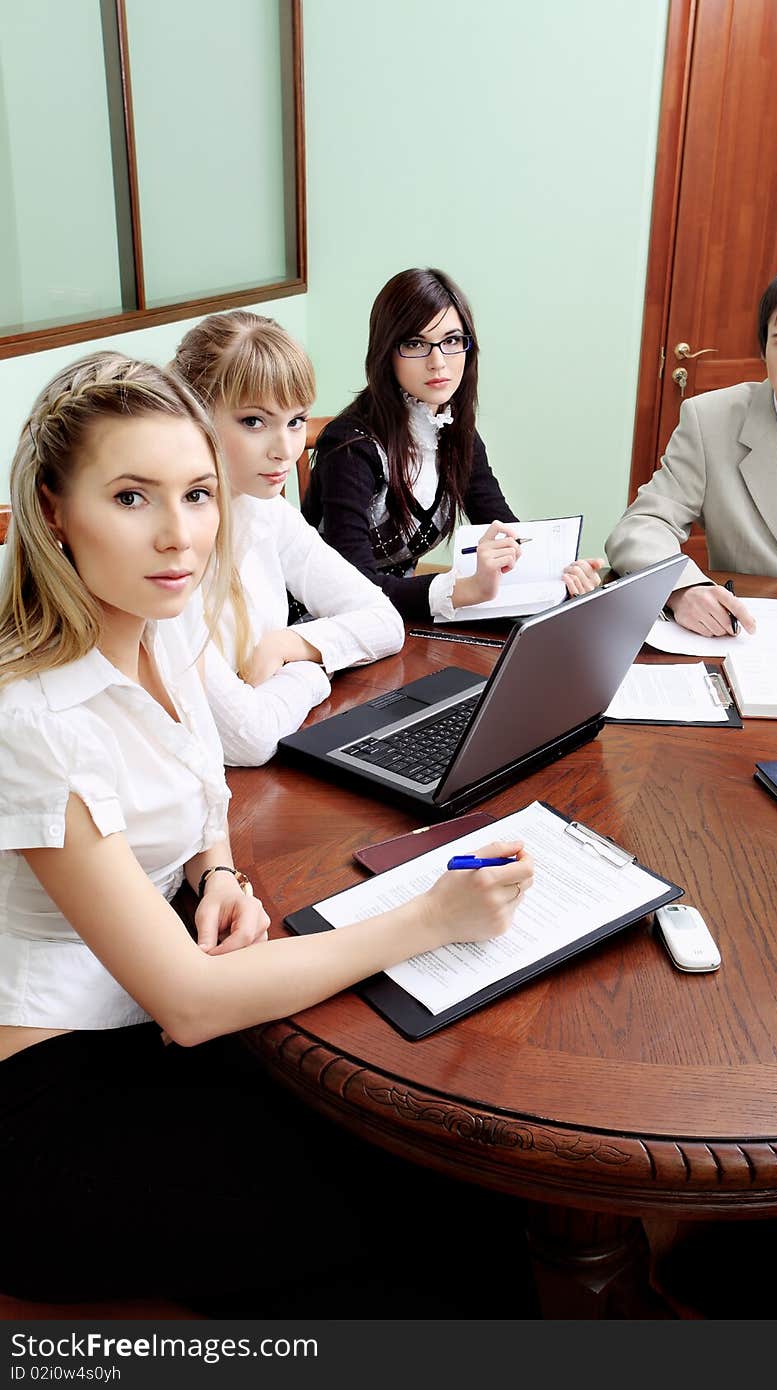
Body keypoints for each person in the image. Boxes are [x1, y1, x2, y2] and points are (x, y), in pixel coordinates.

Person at [0, 352, 537, 1316]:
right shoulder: (33, 721)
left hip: (158, 1015)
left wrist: (213, 874)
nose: (179, 535)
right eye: (132, 497)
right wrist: (430, 916)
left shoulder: (164, 623)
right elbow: (194, 1004)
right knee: (426, 1227)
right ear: (51, 512)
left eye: (198, 495)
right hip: (57, 1093)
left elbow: (204, 799)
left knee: (460, 1181)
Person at [170, 310, 405, 766]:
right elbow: (249, 740)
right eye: (254, 422)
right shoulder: (169, 547)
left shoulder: (265, 511)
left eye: (296, 421)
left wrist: (288, 646)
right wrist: (311, 671)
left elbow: (384, 621)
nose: (284, 448)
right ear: (192, 415)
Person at [302, 266, 603, 620]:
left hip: (403, 620)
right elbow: (353, 586)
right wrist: (461, 590)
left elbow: (505, 531)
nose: (438, 362)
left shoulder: (453, 432)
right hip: (324, 625)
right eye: (415, 344)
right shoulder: (351, 446)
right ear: (387, 352)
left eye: (451, 340)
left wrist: (561, 574)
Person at [605, 257, 777, 637]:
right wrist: (683, 588)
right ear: (763, 345)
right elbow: (641, 525)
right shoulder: (710, 420)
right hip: (744, 644)